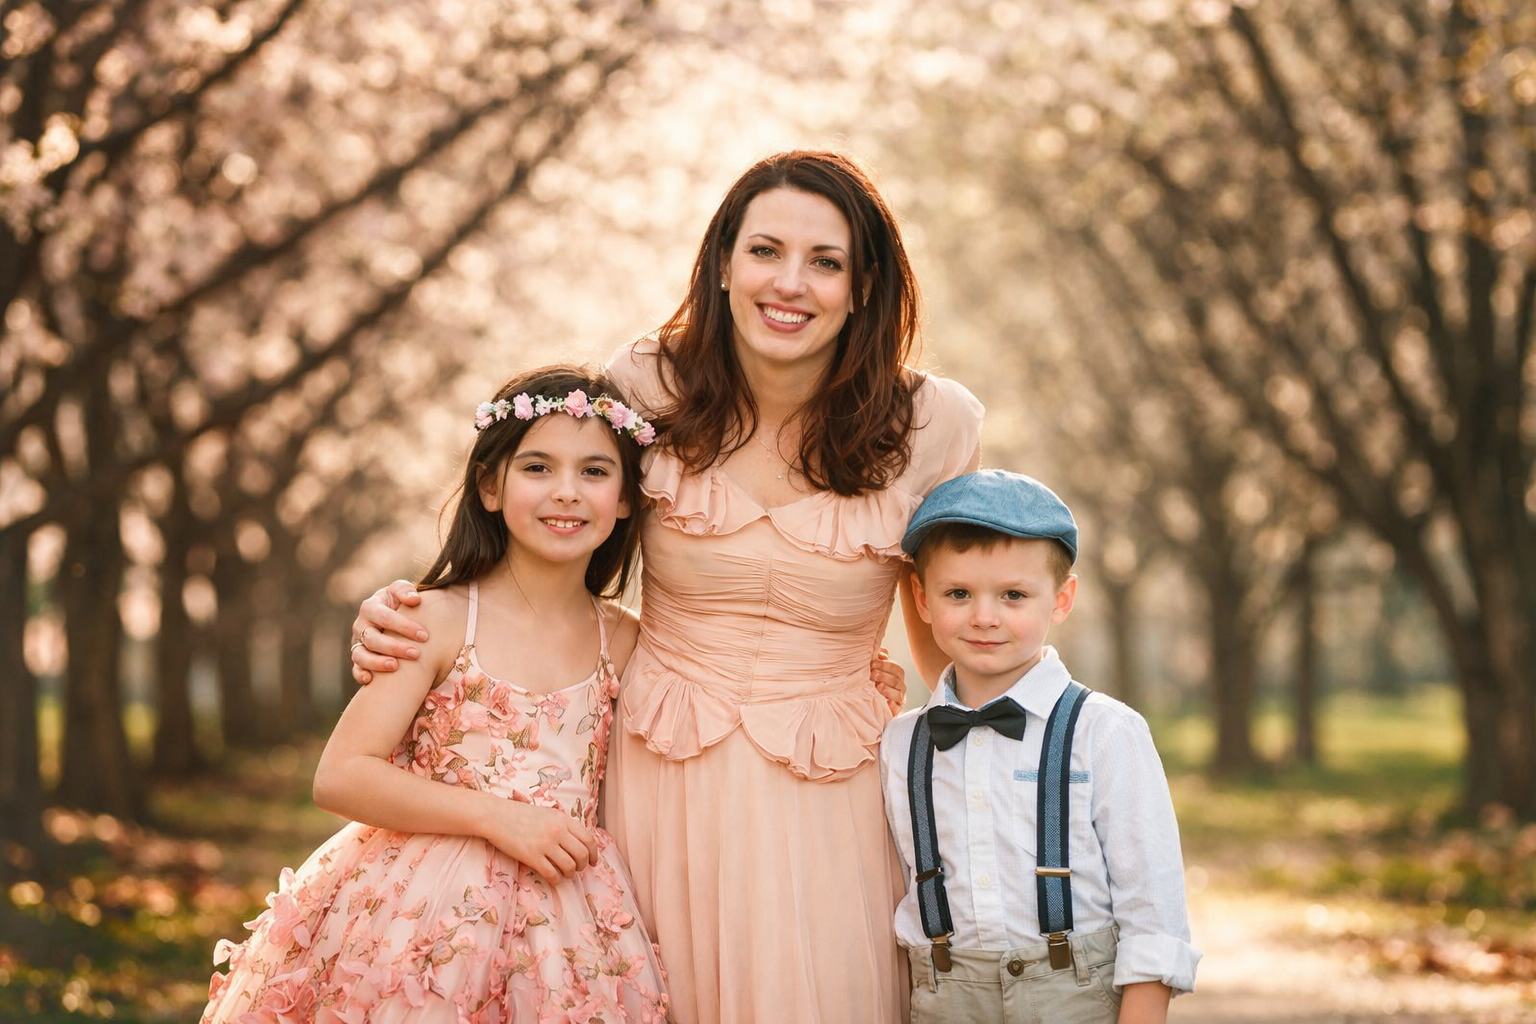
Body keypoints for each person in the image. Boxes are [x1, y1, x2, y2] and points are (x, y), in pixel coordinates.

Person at [352, 150, 984, 1023]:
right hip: (657, 771)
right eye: (764, 251)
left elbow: (944, 616)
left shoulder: (935, 422)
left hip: (832, 783)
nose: (789, 284)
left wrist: (1004, 747)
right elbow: (557, 531)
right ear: (723, 264)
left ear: (865, 285)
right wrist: (415, 605)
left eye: (825, 262)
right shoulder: (650, 383)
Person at [202, 365, 670, 1024]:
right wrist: (499, 818)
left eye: (595, 471)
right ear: (489, 485)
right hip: (424, 914)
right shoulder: (436, 620)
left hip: (571, 922)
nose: (567, 492)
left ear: (625, 498)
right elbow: (341, 776)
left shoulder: (624, 640)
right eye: (537, 468)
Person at [881, 470, 1201, 1024]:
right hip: (943, 1000)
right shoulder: (899, 743)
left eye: (1013, 595)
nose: (984, 616)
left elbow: (1154, 916)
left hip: (1078, 998)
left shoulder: (1106, 732)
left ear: (1062, 598)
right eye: (958, 593)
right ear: (921, 597)